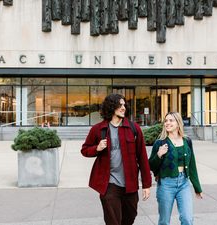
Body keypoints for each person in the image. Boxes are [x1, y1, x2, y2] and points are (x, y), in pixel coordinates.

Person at [81, 93, 152, 225]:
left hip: (130, 184)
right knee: (113, 221)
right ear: (111, 107)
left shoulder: (133, 128)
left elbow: (142, 157)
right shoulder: (98, 129)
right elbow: (85, 150)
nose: (123, 107)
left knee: (130, 217)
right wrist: (97, 148)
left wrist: (146, 184)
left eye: (124, 104)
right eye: (120, 105)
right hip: (109, 184)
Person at [149, 112, 203, 225]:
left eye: (171, 120)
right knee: (164, 221)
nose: (167, 123)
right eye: (166, 121)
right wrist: (159, 155)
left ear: (178, 123)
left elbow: (192, 164)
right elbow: (151, 166)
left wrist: (197, 187)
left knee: (187, 219)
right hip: (166, 184)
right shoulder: (160, 143)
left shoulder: (187, 141)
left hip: (184, 183)